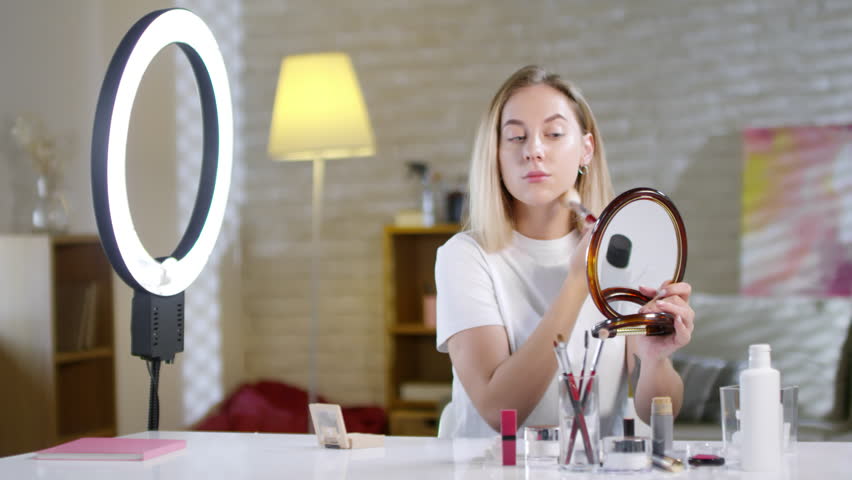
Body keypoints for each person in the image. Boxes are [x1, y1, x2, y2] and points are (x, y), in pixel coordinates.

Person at [435, 65, 695, 438]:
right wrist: (578, 280)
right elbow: (499, 409)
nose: (534, 151)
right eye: (515, 137)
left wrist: (655, 362)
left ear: (586, 149)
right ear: (495, 153)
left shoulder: (622, 253)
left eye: (554, 134)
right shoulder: (465, 257)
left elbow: (659, 416)